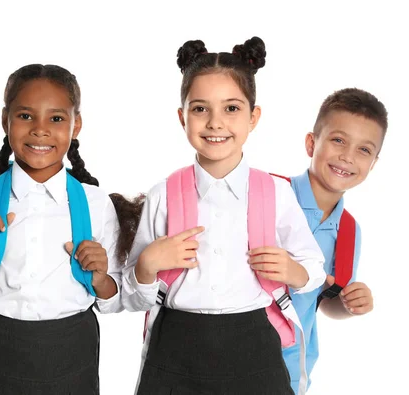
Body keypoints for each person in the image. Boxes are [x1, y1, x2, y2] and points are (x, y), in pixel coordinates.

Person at [121, 37, 326, 395]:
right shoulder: (162, 195)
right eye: (200, 109)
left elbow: (313, 266)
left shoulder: (275, 194)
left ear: (253, 117)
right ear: (183, 117)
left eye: (231, 108)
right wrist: (147, 266)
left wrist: (294, 271)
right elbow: (133, 294)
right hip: (174, 347)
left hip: (254, 347)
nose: (215, 123)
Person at [0, 64, 140, 395]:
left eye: (56, 118)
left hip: (71, 354)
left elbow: (114, 300)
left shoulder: (95, 204)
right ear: (5, 120)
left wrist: (100, 277)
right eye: (25, 116)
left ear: (76, 124)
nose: (40, 130)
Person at [282, 87, 384, 393]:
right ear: (312, 143)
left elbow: (326, 302)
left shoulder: (350, 232)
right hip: (227, 354)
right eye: (338, 140)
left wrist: (349, 304)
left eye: (364, 150)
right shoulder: (270, 195)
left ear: (373, 164)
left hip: (289, 370)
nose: (347, 157)